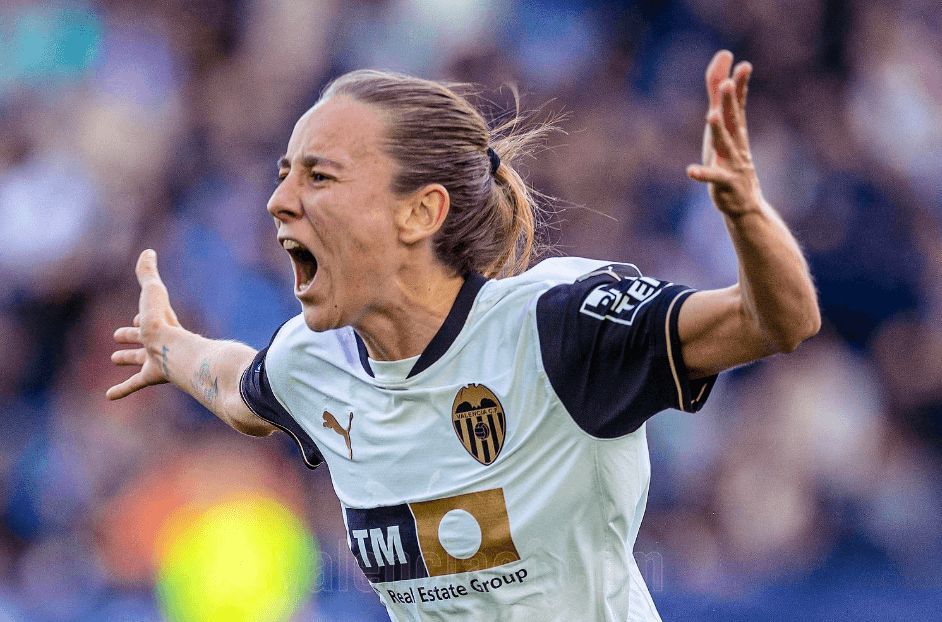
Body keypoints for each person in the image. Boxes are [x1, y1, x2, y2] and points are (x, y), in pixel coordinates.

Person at [108, 50, 820, 621]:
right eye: (284, 174)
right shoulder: (312, 361)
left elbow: (776, 322)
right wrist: (170, 349)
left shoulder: (556, 326)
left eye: (319, 176)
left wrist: (748, 214)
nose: (278, 200)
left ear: (420, 213)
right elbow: (239, 387)